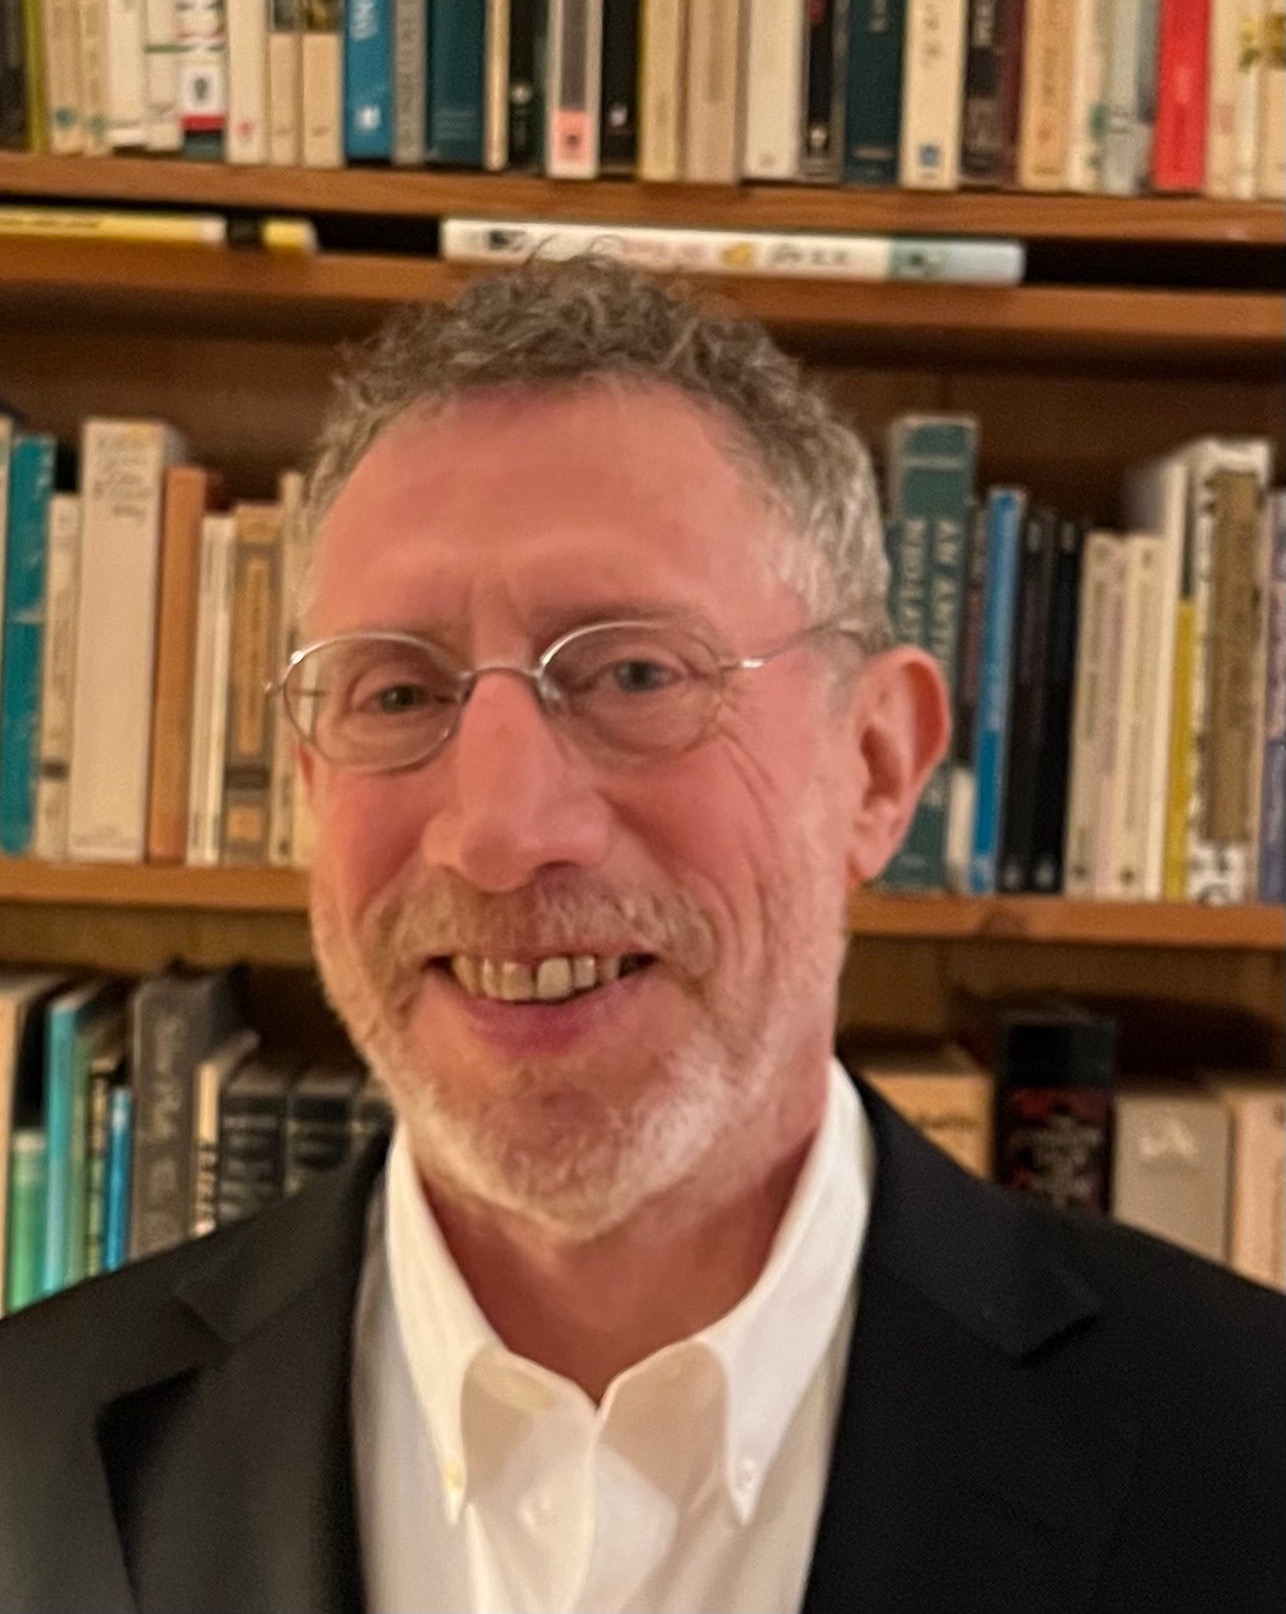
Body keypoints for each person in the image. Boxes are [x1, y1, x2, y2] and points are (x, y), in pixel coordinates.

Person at [0, 260, 1282, 1614]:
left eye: (630, 673)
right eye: (393, 691)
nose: (496, 829)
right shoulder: (32, 1450)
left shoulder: (1244, 1455)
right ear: (314, 789)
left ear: (874, 763)